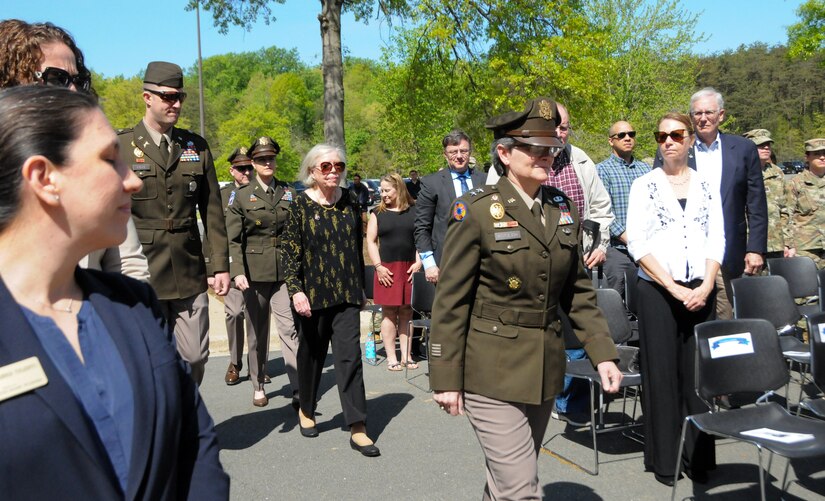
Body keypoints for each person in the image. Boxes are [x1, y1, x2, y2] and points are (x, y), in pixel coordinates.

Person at [0, 85, 229, 500]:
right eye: (110, 160)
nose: (132, 181)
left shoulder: (132, 305)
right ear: (44, 177)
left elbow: (194, 446)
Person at [429, 97, 622, 500]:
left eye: (551, 148)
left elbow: (578, 292)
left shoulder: (562, 208)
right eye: (534, 148)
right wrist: (445, 376)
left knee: (506, 482)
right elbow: (450, 300)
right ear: (504, 152)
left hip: (543, 369)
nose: (546, 156)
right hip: (490, 372)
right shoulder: (477, 211)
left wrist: (602, 353)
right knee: (521, 490)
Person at [0, 19, 149, 281]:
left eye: (78, 80)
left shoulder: (98, 162)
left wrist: (118, 319)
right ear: (14, 80)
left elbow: (129, 265)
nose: (73, 90)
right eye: (57, 78)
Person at [626, 112, 725, 486]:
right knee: (662, 378)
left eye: (676, 134)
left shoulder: (705, 185)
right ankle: (666, 461)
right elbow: (637, 243)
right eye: (661, 135)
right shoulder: (645, 185)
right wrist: (673, 287)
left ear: (688, 141)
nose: (668, 141)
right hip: (658, 292)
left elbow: (717, 238)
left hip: (701, 290)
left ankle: (699, 459)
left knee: (699, 379)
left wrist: (706, 284)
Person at [117, 61, 230, 385]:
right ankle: (172, 429)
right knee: (151, 360)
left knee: (194, 356)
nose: (176, 104)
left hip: (188, 266)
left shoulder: (196, 147)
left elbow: (212, 210)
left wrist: (219, 264)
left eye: (179, 96)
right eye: (168, 97)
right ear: (147, 97)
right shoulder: (121, 146)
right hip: (141, 269)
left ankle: (183, 412)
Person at [282, 144, 380, 457]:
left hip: (347, 295)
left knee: (349, 358)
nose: (334, 171)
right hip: (312, 296)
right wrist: (295, 290)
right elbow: (289, 251)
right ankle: (307, 409)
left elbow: (356, 246)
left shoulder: (351, 200)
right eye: (326, 166)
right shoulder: (299, 204)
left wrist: (363, 288)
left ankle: (357, 425)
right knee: (310, 357)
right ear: (312, 171)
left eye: (338, 165)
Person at [654, 88, 767, 319]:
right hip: (684, 250)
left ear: (721, 115)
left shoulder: (743, 149)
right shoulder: (673, 146)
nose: (703, 118)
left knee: (725, 314)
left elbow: (756, 203)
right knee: (690, 313)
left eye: (709, 112)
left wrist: (755, 248)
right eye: (697, 113)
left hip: (728, 248)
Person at [227, 136, 300, 407]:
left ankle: (297, 386)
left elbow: (296, 233)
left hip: (283, 273)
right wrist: (237, 272)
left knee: (289, 329)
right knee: (257, 332)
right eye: (261, 160)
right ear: (253, 164)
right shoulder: (242, 196)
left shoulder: (288, 192)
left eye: (270, 158)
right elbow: (233, 239)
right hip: (254, 274)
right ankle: (258, 384)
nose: (267, 163)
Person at [414, 130, 486, 284]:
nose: (459, 156)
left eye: (464, 151)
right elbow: (422, 227)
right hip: (445, 264)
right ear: (445, 155)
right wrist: (429, 264)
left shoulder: (485, 181)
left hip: (482, 263)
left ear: (470, 152)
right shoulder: (431, 183)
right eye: (453, 152)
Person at [366, 173, 422, 371]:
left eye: (387, 190)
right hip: (386, 269)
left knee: (407, 311)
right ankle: (392, 358)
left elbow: (421, 239)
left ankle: (407, 356)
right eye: (381, 190)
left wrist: (419, 262)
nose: (383, 194)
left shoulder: (415, 211)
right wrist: (378, 266)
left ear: (399, 189)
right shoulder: (377, 213)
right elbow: (371, 241)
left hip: (409, 267)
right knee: (389, 313)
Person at [212, 147, 252, 385]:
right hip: (230, 263)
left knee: (258, 318)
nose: (246, 171)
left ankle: (259, 364)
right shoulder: (223, 194)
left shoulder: (262, 192)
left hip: (257, 262)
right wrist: (212, 269)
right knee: (235, 313)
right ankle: (235, 362)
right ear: (232, 170)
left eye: (249, 167)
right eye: (241, 168)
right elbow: (213, 231)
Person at [596, 121, 651, 295]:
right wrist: (630, 240)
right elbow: (603, 212)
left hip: (648, 245)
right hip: (616, 247)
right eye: (621, 135)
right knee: (618, 293)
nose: (627, 138)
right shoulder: (601, 171)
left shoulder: (646, 169)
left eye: (631, 134)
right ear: (611, 141)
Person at [742, 129, 786, 260]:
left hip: (777, 244)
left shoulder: (777, 172)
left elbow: (785, 210)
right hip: (750, 245)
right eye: (761, 145)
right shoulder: (740, 172)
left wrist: (788, 243)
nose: (766, 148)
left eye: (768, 144)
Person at [783, 138, 825, 268]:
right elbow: (786, 215)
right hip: (805, 248)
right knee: (808, 287)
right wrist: (788, 245)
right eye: (817, 154)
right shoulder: (796, 183)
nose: (822, 157)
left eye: (824, 153)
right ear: (807, 157)